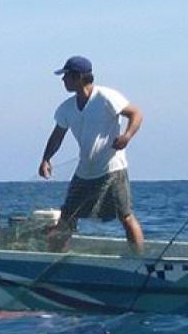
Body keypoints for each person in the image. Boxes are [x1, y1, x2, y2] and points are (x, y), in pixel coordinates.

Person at [38, 56, 144, 253]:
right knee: (67, 216)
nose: (63, 81)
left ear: (78, 77)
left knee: (125, 215)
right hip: (85, 171)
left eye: (66, 76)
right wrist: (46, 159)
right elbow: (57, 136)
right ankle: (56, 256)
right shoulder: (67, 107)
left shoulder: (106, 97)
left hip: (112, 168)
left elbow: (136, 114)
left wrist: (127, 136)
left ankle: (139, 260)